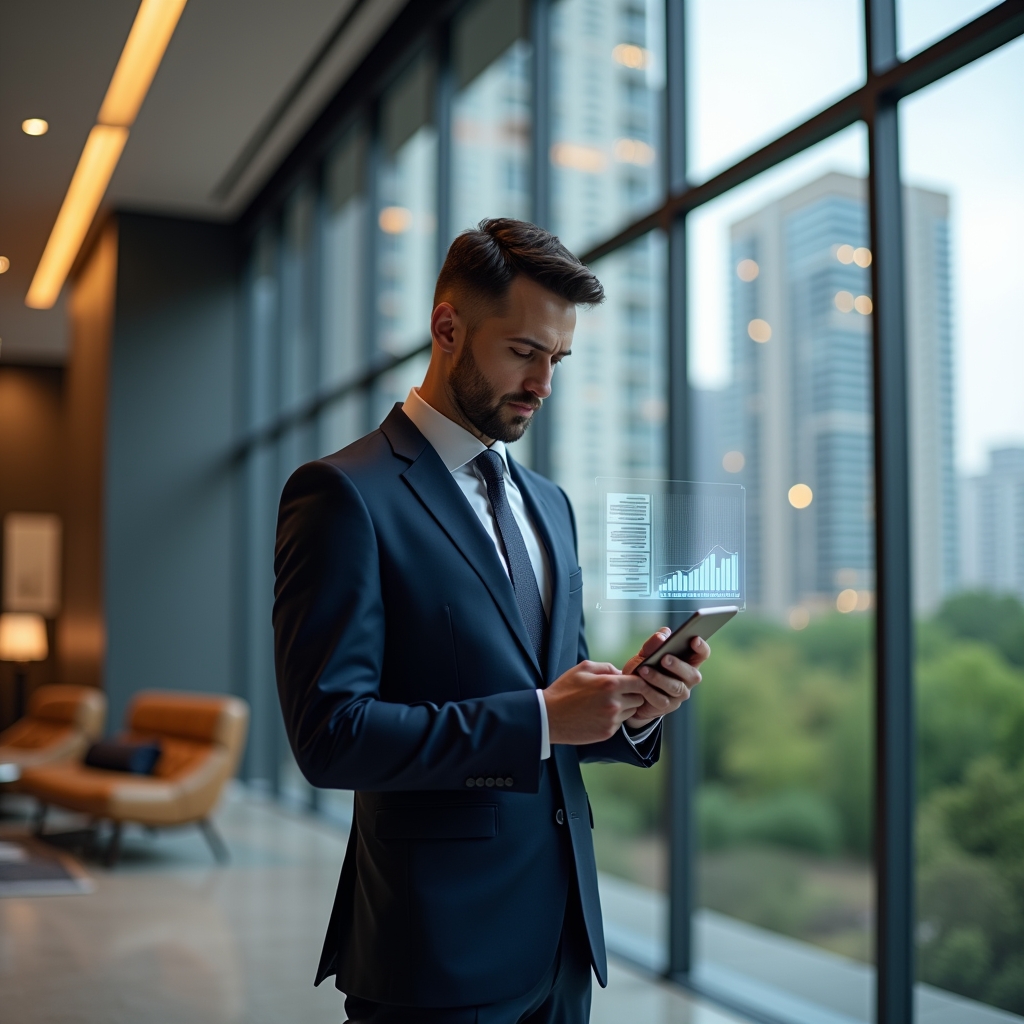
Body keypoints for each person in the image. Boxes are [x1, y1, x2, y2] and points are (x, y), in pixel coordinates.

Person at [273, 218, 710, 1023]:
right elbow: (331, 736)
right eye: (523, 352)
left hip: (563, 944)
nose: (543, 383)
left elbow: (556, 701)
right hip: (434, 952)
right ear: (447, 328)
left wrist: (629, 706)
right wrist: (541, 718)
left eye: (558, 360)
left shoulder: (550, 504)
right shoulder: (343, 495)